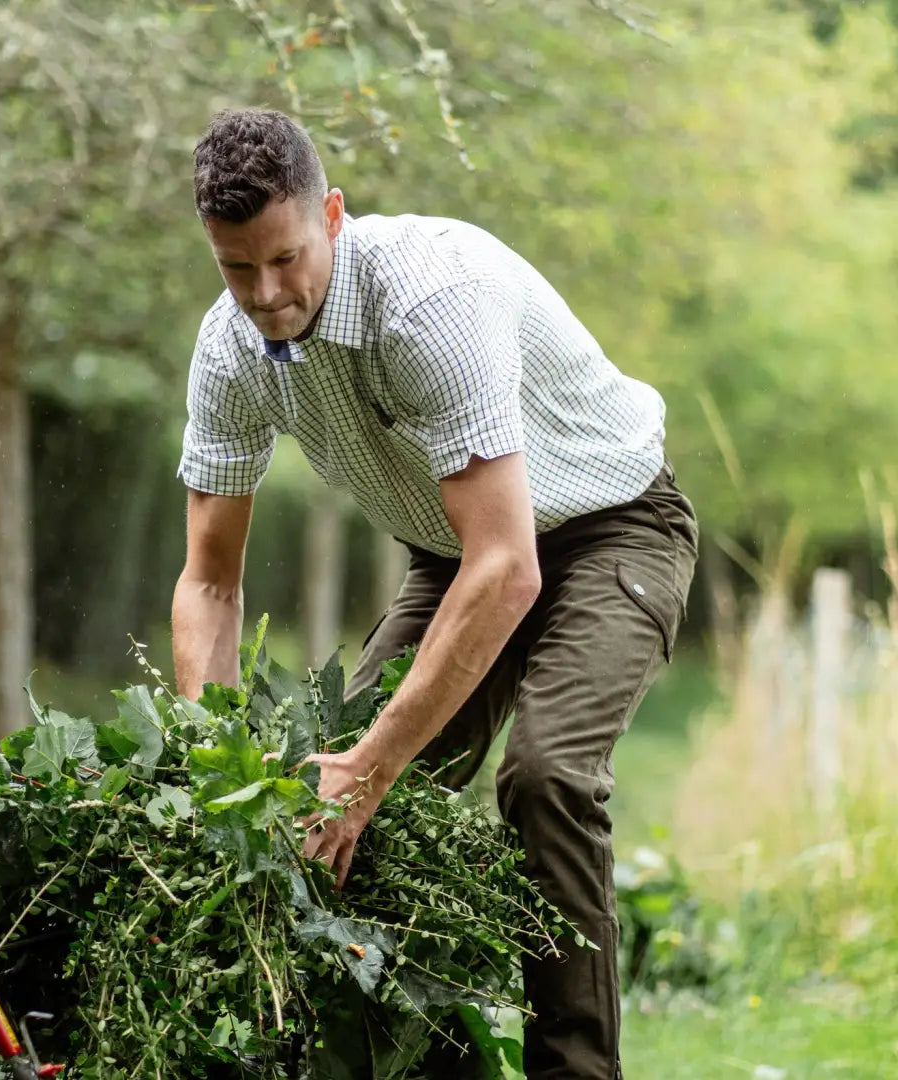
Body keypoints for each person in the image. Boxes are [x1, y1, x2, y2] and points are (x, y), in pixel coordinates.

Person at [171, 106, 698, 1080]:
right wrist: (218, 769)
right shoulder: (230, 348)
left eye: (285, 258)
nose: (267, 294)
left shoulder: (429, 302)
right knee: (316, 800)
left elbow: (510, 570)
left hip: (610, 524)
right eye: (237, 269)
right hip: (457, 556)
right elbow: (209, 578)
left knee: (543, 777)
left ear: (332, 214)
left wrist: (370, 771)